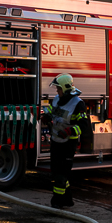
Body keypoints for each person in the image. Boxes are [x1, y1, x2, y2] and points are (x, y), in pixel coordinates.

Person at [41, 73, 91, 209]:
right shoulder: (57, 99)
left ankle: (57, 202)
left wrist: (70, 131)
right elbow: (52, 110)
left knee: (61, 174)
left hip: (68, 143)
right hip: (56, 141)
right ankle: (67, 199)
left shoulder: (78, 104)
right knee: (56, 171)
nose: (57, 91)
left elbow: (83, 125)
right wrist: (46, 116)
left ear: (66, 88)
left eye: (59, 88)